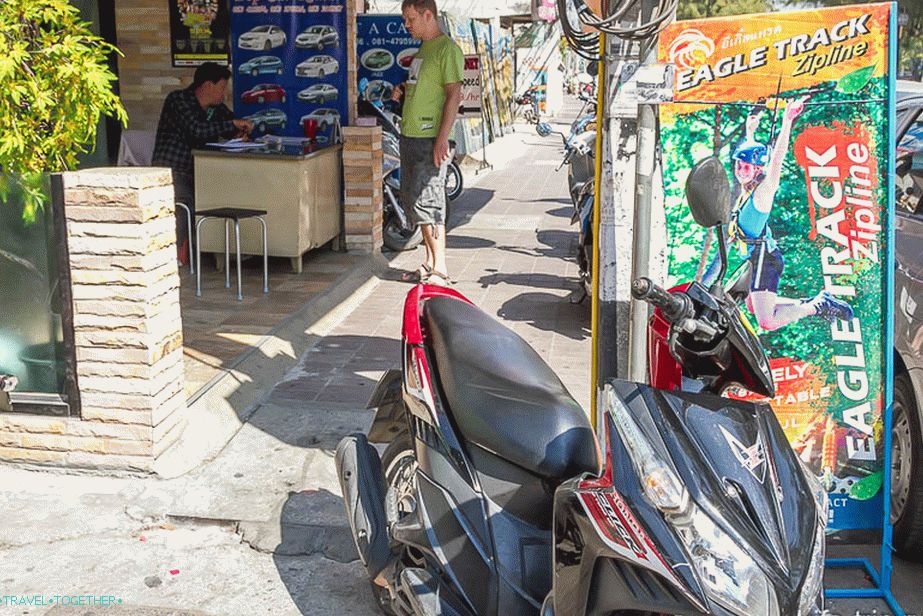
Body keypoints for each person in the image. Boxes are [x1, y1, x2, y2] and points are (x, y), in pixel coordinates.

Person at [705, 97, 854, 331]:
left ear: (757, 169)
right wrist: (750, 132)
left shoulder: (762, 194)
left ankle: (817, 305)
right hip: (757, 261)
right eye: (737, 165)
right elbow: (752, 156)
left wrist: (787, 122)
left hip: (766, 262)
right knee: (754, 306)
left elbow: (774, 163)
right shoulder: (747, 191)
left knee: (767, 321)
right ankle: (812, 304)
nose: (739, 170)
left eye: (745, 167)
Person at [152, 62, 253, 263]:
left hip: (203, 172)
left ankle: (220, 249)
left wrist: (241, 132)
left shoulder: (216, 109)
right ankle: (174, 258)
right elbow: (196, 129)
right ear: (208, 85)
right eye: (222, 88)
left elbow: (229, 126)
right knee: (185, 203)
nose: (224, 94)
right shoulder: (178, 100)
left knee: (228, 192)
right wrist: (231, 124)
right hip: (174, 171)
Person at [392, 0, 463, 286]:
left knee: (430, 201)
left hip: (430, 138)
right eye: (405, 19)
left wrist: (441, 139)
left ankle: (441, 269)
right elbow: (425, 89)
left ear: (427, 15)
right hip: (411, 135)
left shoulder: (447, 50)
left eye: (411, 19)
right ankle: (430, 263)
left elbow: (453, 96)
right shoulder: (423, 50)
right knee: (415, 201)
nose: (407, 25)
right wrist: (404, 90)